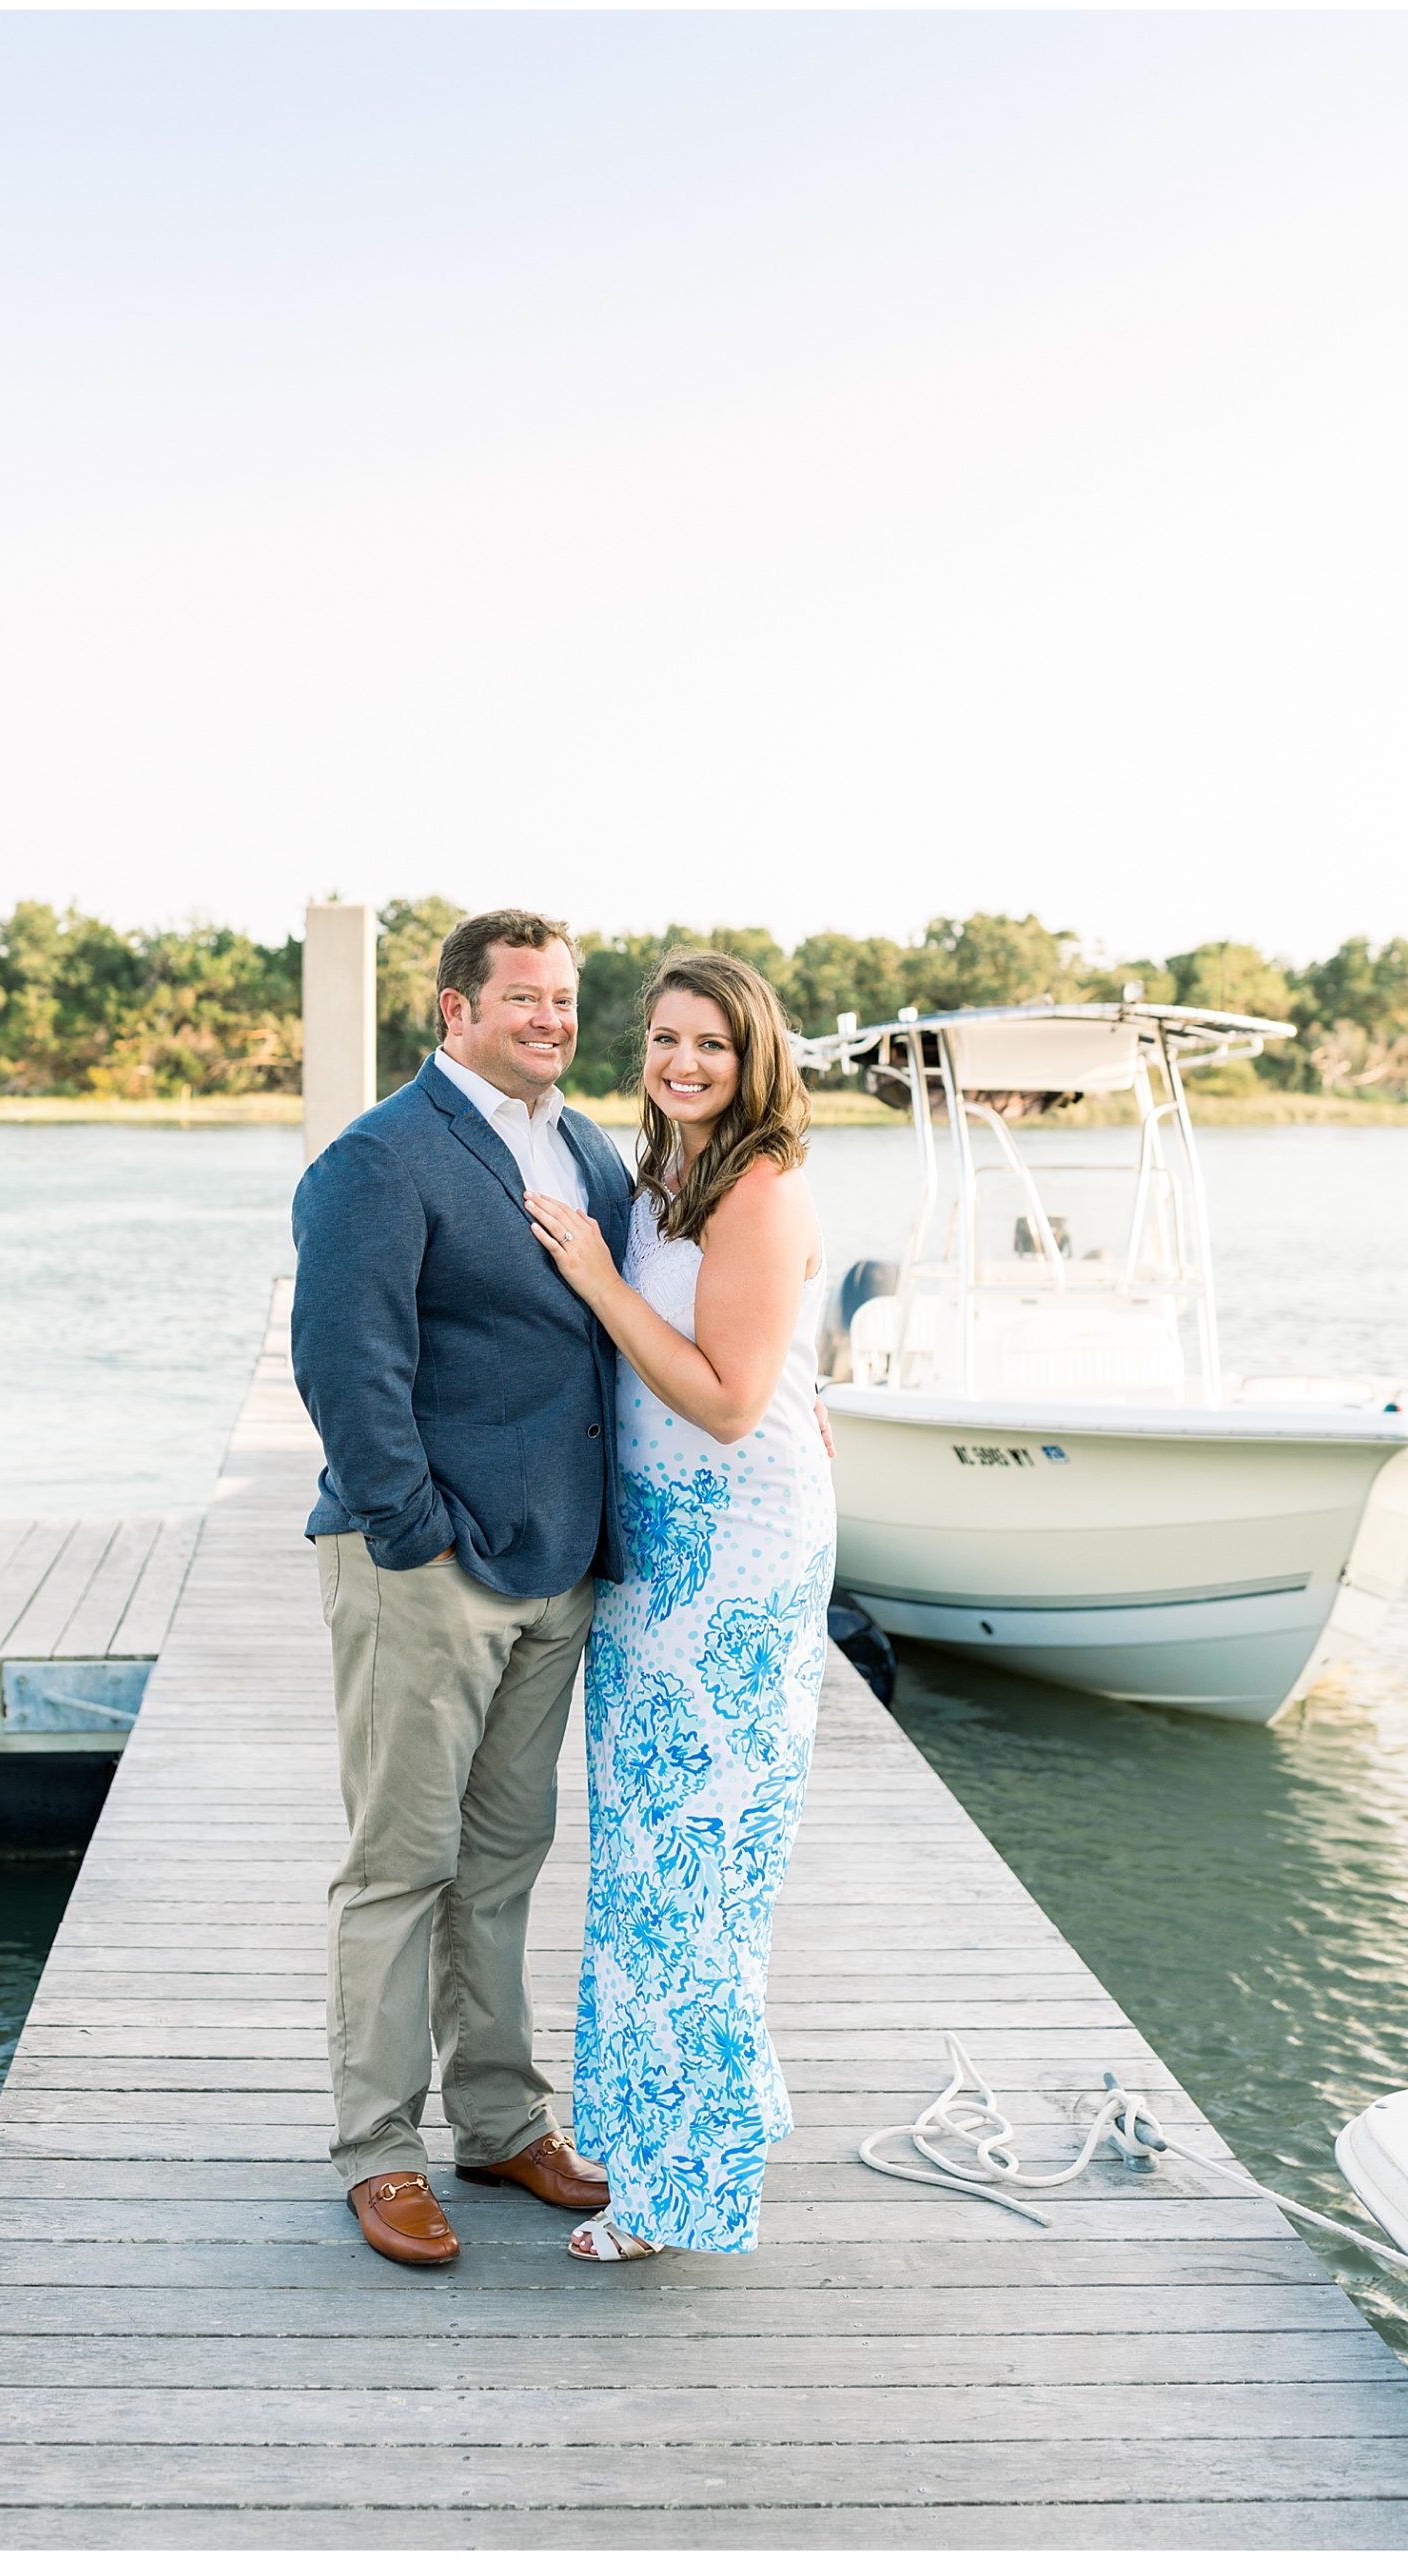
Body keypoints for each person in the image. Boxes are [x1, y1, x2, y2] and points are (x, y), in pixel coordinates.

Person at [290, 909, 633, 2267]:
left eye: (561, 999)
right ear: (453, 1011)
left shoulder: (581, 1144)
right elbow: (343, 1365)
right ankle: (378, 2152)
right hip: (427, 1568)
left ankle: (498, 2123)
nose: (547, 1020)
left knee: (500, 1865)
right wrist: (411, 1530)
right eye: (520, 1000)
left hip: (557, 1567)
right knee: (399, 1868)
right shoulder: (377, 1161)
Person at [523, 948, 835, 2263]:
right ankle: (703, 2111)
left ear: (752, 1054)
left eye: (709, 1043)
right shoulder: (664, 1176)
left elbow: (722, 1398)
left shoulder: (754, 1187)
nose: (682, 1063)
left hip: (731, 1568)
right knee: (651, 1866)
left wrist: (594, 1279)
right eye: (663, 1039)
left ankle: (679, 2195)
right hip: (657, 1560)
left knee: (692, 1876)